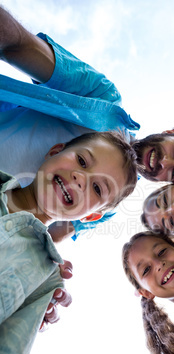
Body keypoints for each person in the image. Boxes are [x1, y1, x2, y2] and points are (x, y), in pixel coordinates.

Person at [0, 130, 137, 354]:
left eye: (98, 188)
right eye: (82, 162)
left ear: (92, 215)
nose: (80, 178)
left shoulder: (47, 281)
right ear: (55, 151)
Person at [0, 5, 140, 242]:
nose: (163, 164)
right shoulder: (101, 100)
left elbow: (54, 237)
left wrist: (42, 262)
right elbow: (21, 45)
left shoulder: (102, 206)